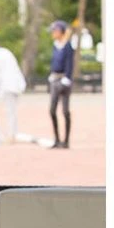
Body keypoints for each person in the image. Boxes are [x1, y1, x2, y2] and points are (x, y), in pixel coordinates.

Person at [0, 40, 27, 142]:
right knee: (12, 111)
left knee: (10, 111)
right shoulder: (5, 52)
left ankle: (11, 135)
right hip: (15, 83)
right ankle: (12, 134)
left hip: (9, 85)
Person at [47, 19, 74, 148]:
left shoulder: (67, 46)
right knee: (52, 110)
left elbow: (70, 62)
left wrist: (67, 77)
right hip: (55, 78)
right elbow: (54, 62)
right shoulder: (55, 45)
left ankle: (66, 140)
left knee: (65, 111)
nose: (53, 33)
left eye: (55, 31)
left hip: (64, 79)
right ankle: (57, 139)